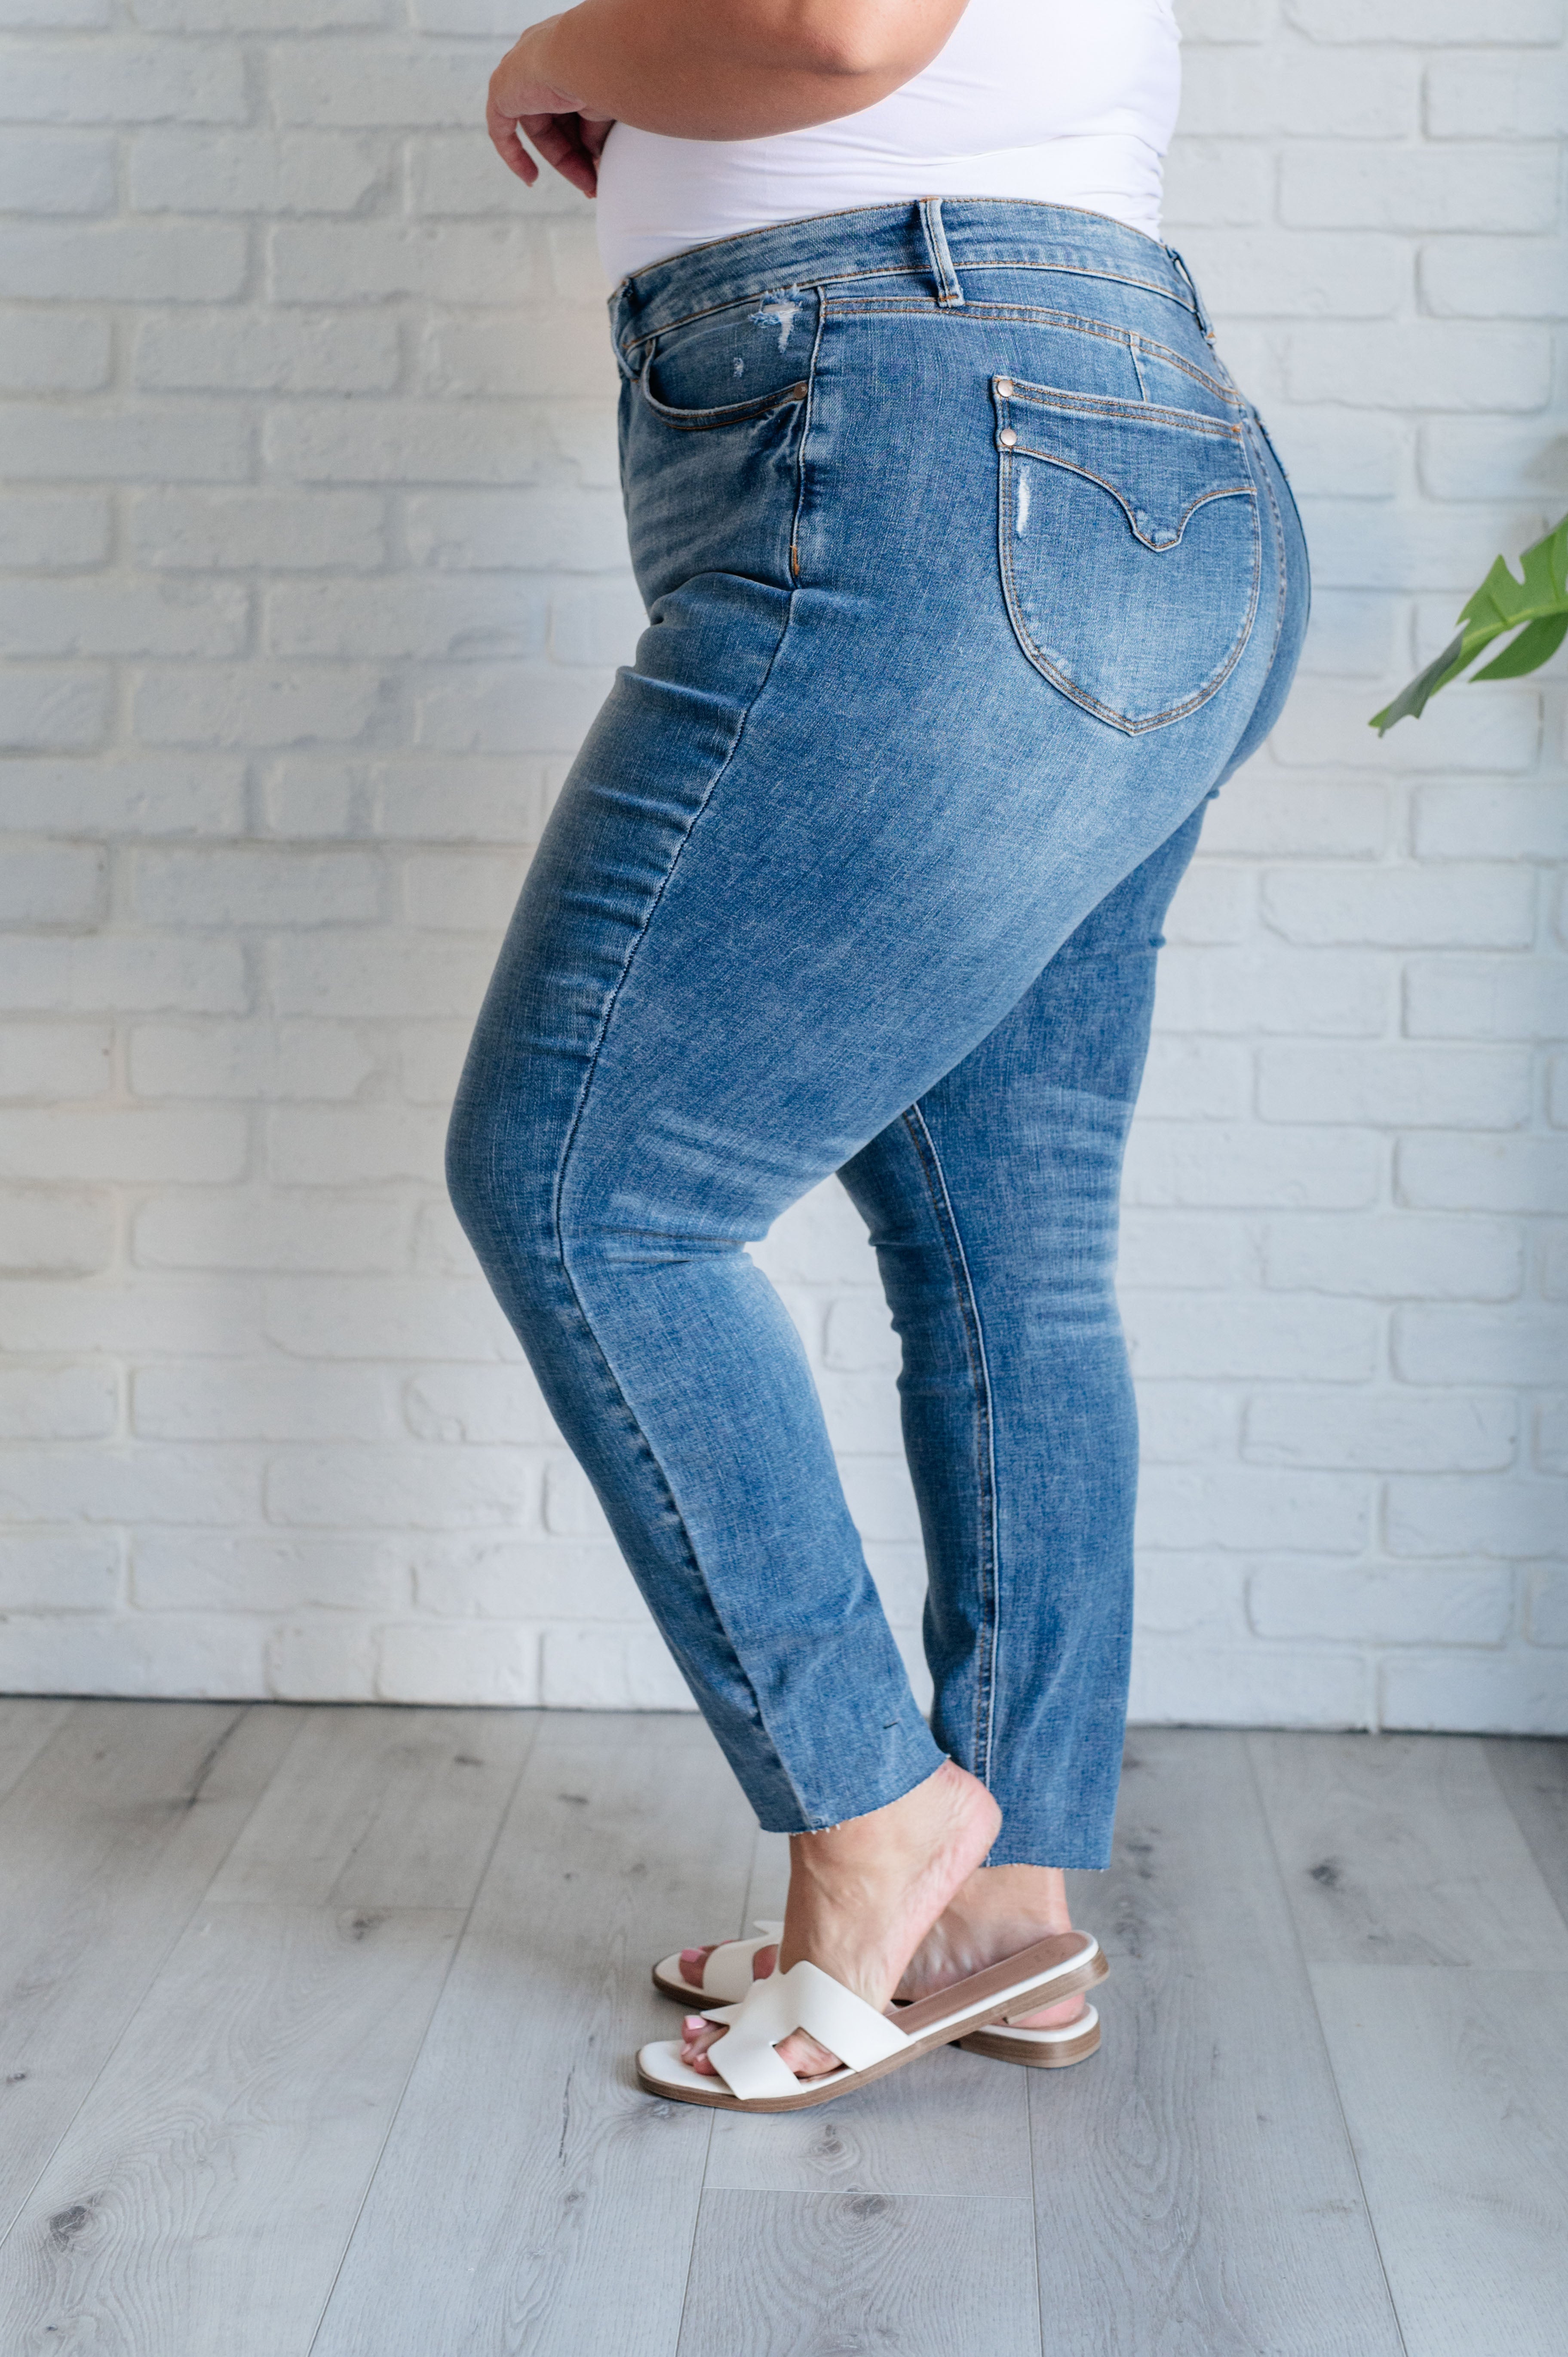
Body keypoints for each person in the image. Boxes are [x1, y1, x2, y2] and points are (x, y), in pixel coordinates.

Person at [449, 0, 1309, 2109]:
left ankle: (875, 1815)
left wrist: (548, 56)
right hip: (1143, 449)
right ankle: (1004, 1906)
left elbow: (836, 28)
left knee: (585, 1192)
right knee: (1012, 1254)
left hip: (923, 432)